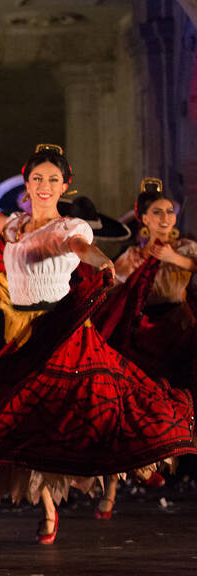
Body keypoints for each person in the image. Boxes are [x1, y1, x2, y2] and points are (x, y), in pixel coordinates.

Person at [0, 145, 196, 545]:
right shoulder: (14, 226)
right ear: (26, 181)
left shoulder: (70, 228)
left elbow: (82, 249)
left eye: (54, 180)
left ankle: (139, 463)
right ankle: (48, 510)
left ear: (65, 186)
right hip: (24, 335)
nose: (45, 186)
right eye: (38, 179)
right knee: (22, 423)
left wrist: (101, 262)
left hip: (64, 331)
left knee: (91, 407)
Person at [92, 177, 197, 519]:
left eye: (170, 212)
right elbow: (109, 291)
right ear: (144, 219)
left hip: (179, 332)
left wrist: (171, 258)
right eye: (158, 212)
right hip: (141, 335)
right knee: (123, 407)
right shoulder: (133, 255)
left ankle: (170, 463)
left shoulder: (185, 249)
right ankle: (112, 487)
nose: (166, 218)